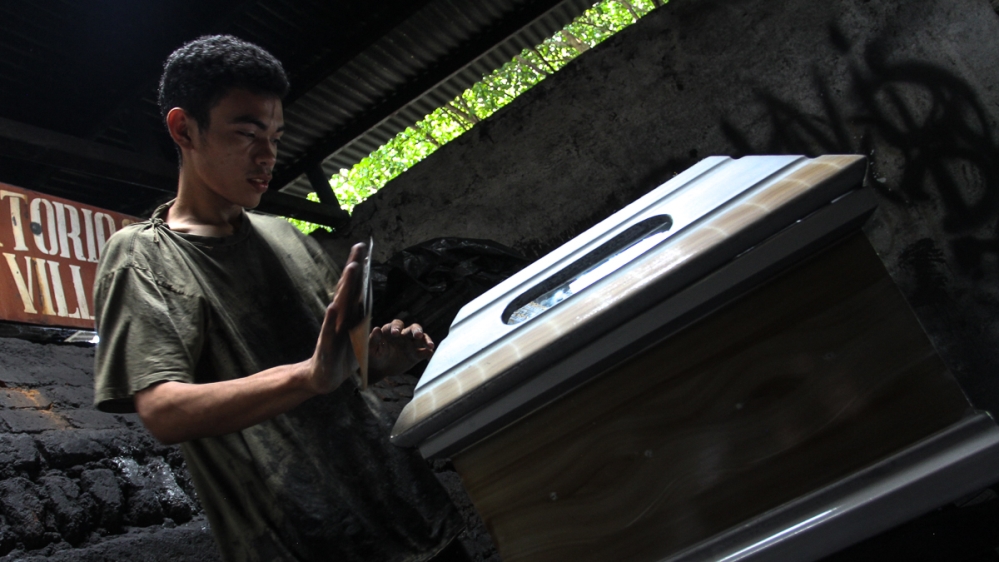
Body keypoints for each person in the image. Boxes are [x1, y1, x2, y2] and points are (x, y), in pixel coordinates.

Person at [92, 35, 466, 562]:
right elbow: (163, 409)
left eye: (275, 134)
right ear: (184, 129)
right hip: (307, 544)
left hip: (415, 520)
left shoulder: (287, 236)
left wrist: (376, 362)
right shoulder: (143, 257)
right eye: (246, 133)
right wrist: (309, 375)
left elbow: (336, 376)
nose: (268, 156)